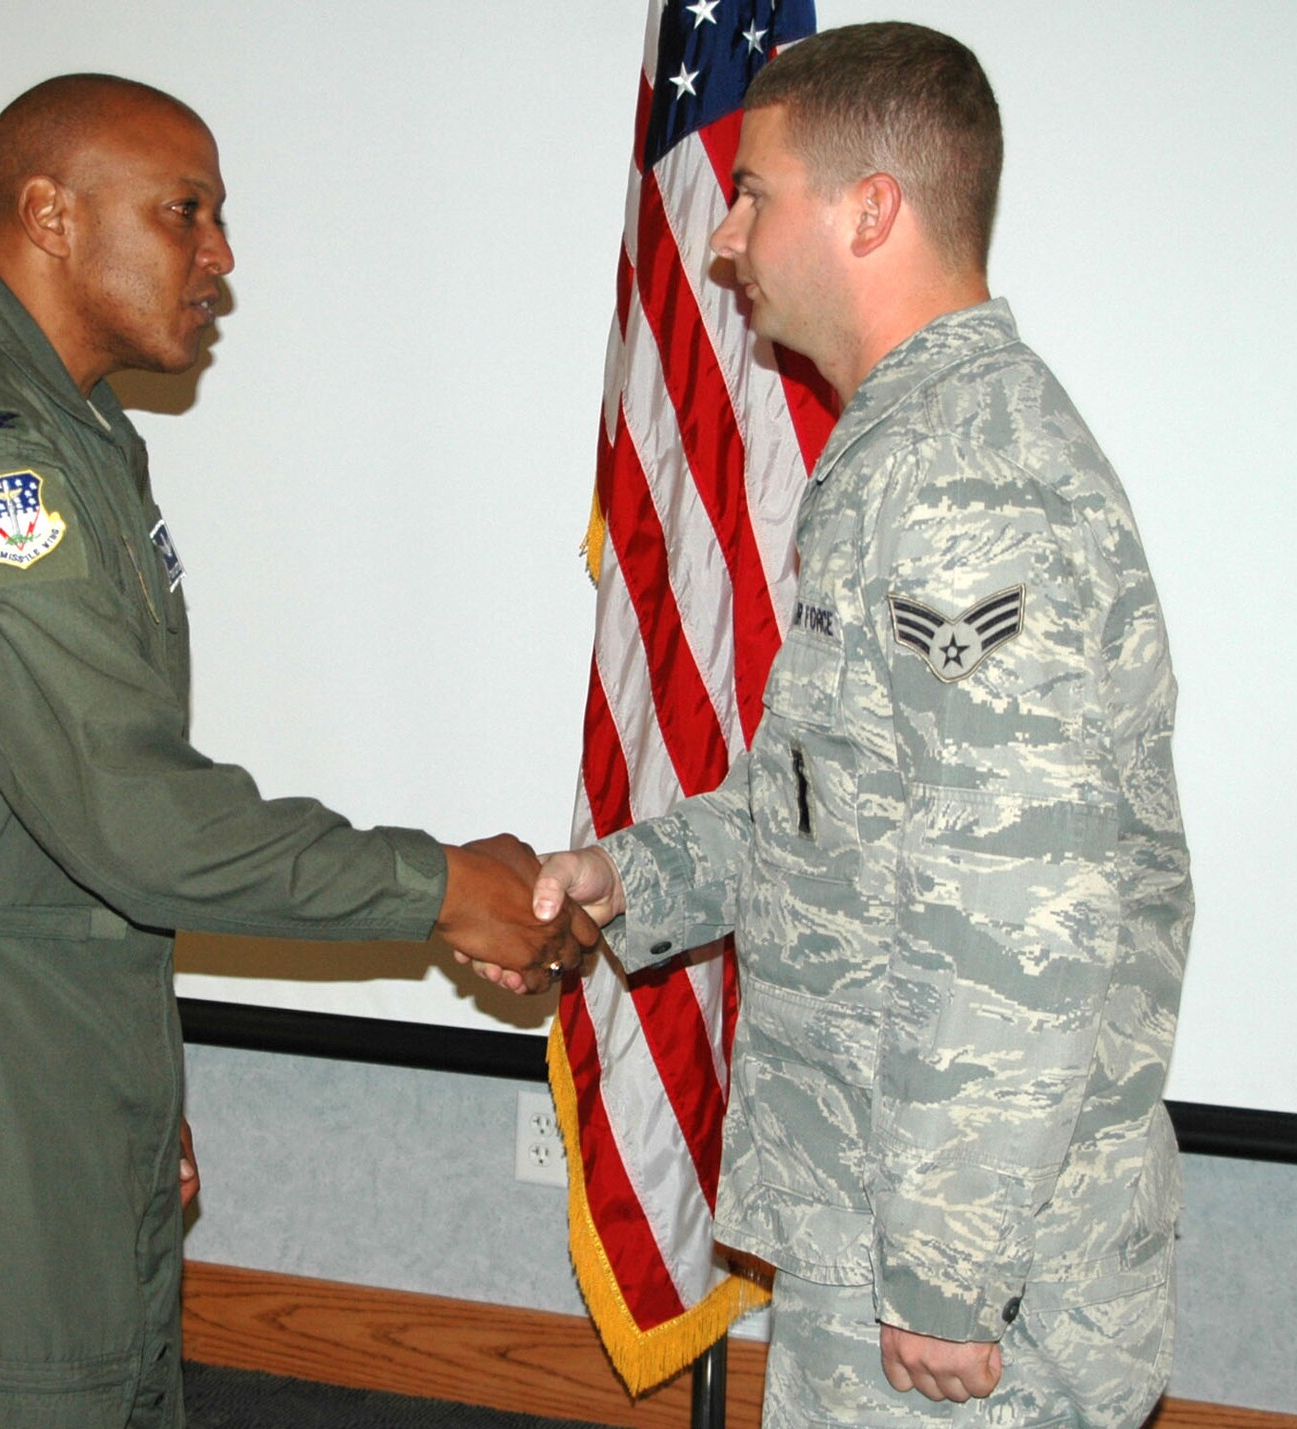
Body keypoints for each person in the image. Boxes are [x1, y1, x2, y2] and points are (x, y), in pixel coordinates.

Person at [0, 73, 595, 1429]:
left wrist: (124, 1082)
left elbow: (63, 831)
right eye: (185, 211)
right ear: (48, 214)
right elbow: (129, 814)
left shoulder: (76, 432)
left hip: (44, 1037)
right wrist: (441, 883)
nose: (219, 255)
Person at [511, 23, 1192, 1429]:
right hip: (878, 1244)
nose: (724, 238)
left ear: (872, 208)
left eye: (756, 192)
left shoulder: (965, 486)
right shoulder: (906, 454)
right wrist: (635, 874)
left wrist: (944, 1277)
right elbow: (835, 808)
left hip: (953, 1304)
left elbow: (1023, 904)